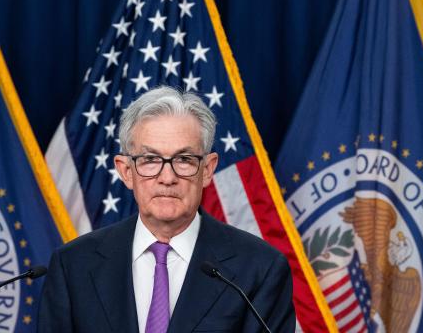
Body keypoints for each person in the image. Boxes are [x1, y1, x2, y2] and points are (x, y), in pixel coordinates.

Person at [38, 86, 295, 332]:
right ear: (126, 171)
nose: (167, 177)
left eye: (184, 159)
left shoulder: (261, 269)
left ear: (207, 169)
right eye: (150, 160)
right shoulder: (73, 266)